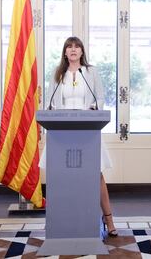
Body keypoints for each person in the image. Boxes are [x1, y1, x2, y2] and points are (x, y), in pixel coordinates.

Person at [45, 36, 118, 237]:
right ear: (65, 52)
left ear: (82, 52)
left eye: (77, 46)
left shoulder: (90, 72)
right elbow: (50, 101)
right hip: (62, 132)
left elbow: (100, 97)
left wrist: (95, 108)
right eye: (69, 46)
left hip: (88, 129)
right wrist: (50, 110)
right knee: (61, 176)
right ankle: (62, 220)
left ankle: (108, 218)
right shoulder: (58, 73)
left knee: (97, 175)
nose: (74, 49)